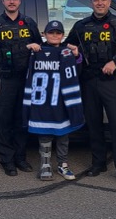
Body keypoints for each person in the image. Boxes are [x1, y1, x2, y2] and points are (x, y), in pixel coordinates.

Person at [65, 0, 116, 188]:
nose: (100, 3)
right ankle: (98, 164)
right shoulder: (81, 26)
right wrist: (72, 50)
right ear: (92, 2)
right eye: (96, 0)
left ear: (109, 2)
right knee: (94, 126)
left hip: (111, 83)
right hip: (89, 82)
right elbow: (67, 46)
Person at [0, 0, 42, 176]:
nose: (12, 1)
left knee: (21, 120)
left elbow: (41, 49)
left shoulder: (30, 23)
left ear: (19, 1)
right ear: (3, 1)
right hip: (4, 79)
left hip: (26, 80)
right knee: (4, 121)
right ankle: (7, 160)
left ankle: (20, 158)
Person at [24, 20, 84, 181]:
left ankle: (62, 164)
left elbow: (78, 71)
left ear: (63, 35)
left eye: (58, 33)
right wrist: (28, 48)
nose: (55, 35)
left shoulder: (67, 52)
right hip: (43, 102)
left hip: (61, 101)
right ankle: (45, 164)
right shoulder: (36, 51)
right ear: (45, 34)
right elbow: (21, 65)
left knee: (63, 134)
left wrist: (77, 55)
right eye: (51, 32)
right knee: (45, 134)